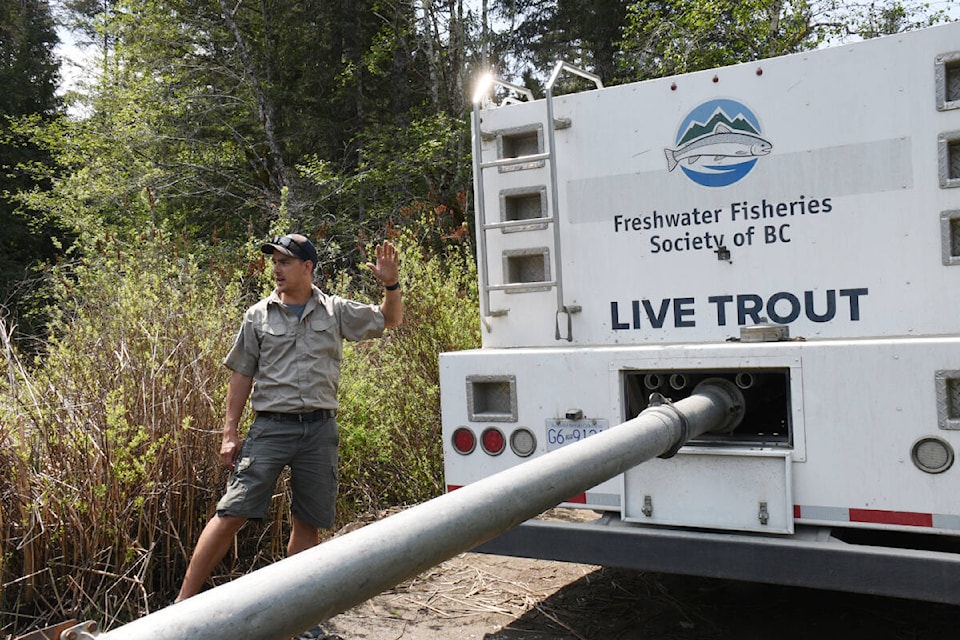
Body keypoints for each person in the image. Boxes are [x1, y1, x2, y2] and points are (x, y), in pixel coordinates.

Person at [176, 233, 402, 617]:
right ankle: (181, 605)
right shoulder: (258, 315)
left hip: (319, 431)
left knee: (308, 523)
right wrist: (229, 433)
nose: (276, 269)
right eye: (274, 262)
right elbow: (241, 375)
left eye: (284, 262)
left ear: (307, 268)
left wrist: (391, 284)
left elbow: (390, 320)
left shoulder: (335, 311)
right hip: (270, 428)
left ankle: (294, 615)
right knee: (232, 512)